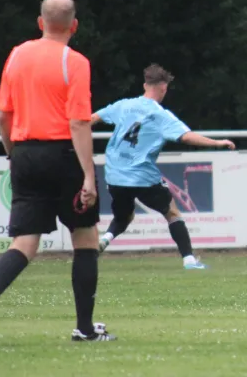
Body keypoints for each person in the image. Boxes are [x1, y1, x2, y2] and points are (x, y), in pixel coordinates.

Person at [0, 0, 116, 345]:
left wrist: (13, 153)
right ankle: (84, 327)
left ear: (40, 22)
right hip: (64, 153)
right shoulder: (74, 61)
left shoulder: (17, 55)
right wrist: (89, 177)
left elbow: (4, 115)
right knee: (85, 237)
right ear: (74, 25)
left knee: (25, 241)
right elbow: (79, 123)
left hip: (25, 152)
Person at [90, 64, 236, 269]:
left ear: (144, 85)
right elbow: (186, 136)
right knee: (172, 213)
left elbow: (92, 119)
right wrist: (216, 143)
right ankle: (189, 261)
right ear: (164, 88)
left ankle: (105, 239)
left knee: (125, 215)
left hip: (114, 175)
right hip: (142, 177)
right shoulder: (160, 115)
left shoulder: (124, 105)